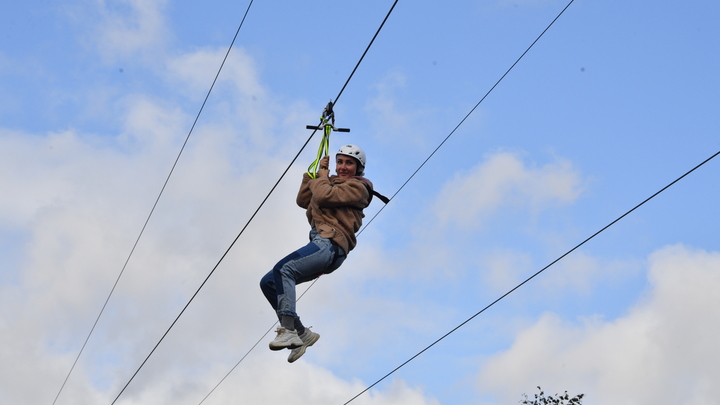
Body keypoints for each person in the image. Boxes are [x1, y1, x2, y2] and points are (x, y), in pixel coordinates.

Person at [259, 144, 375, 363]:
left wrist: (322, 178)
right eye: (339, 162)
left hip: (330, 245)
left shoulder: (358, 188)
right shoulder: (329, 182)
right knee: (269, 282)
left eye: (349, 163)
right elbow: (304, 200)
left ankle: (287, 330)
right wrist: (311, 175)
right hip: (321, 243)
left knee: (284, 269)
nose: (342, 167)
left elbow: (322, 195)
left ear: (359, 169)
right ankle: (302, 333)